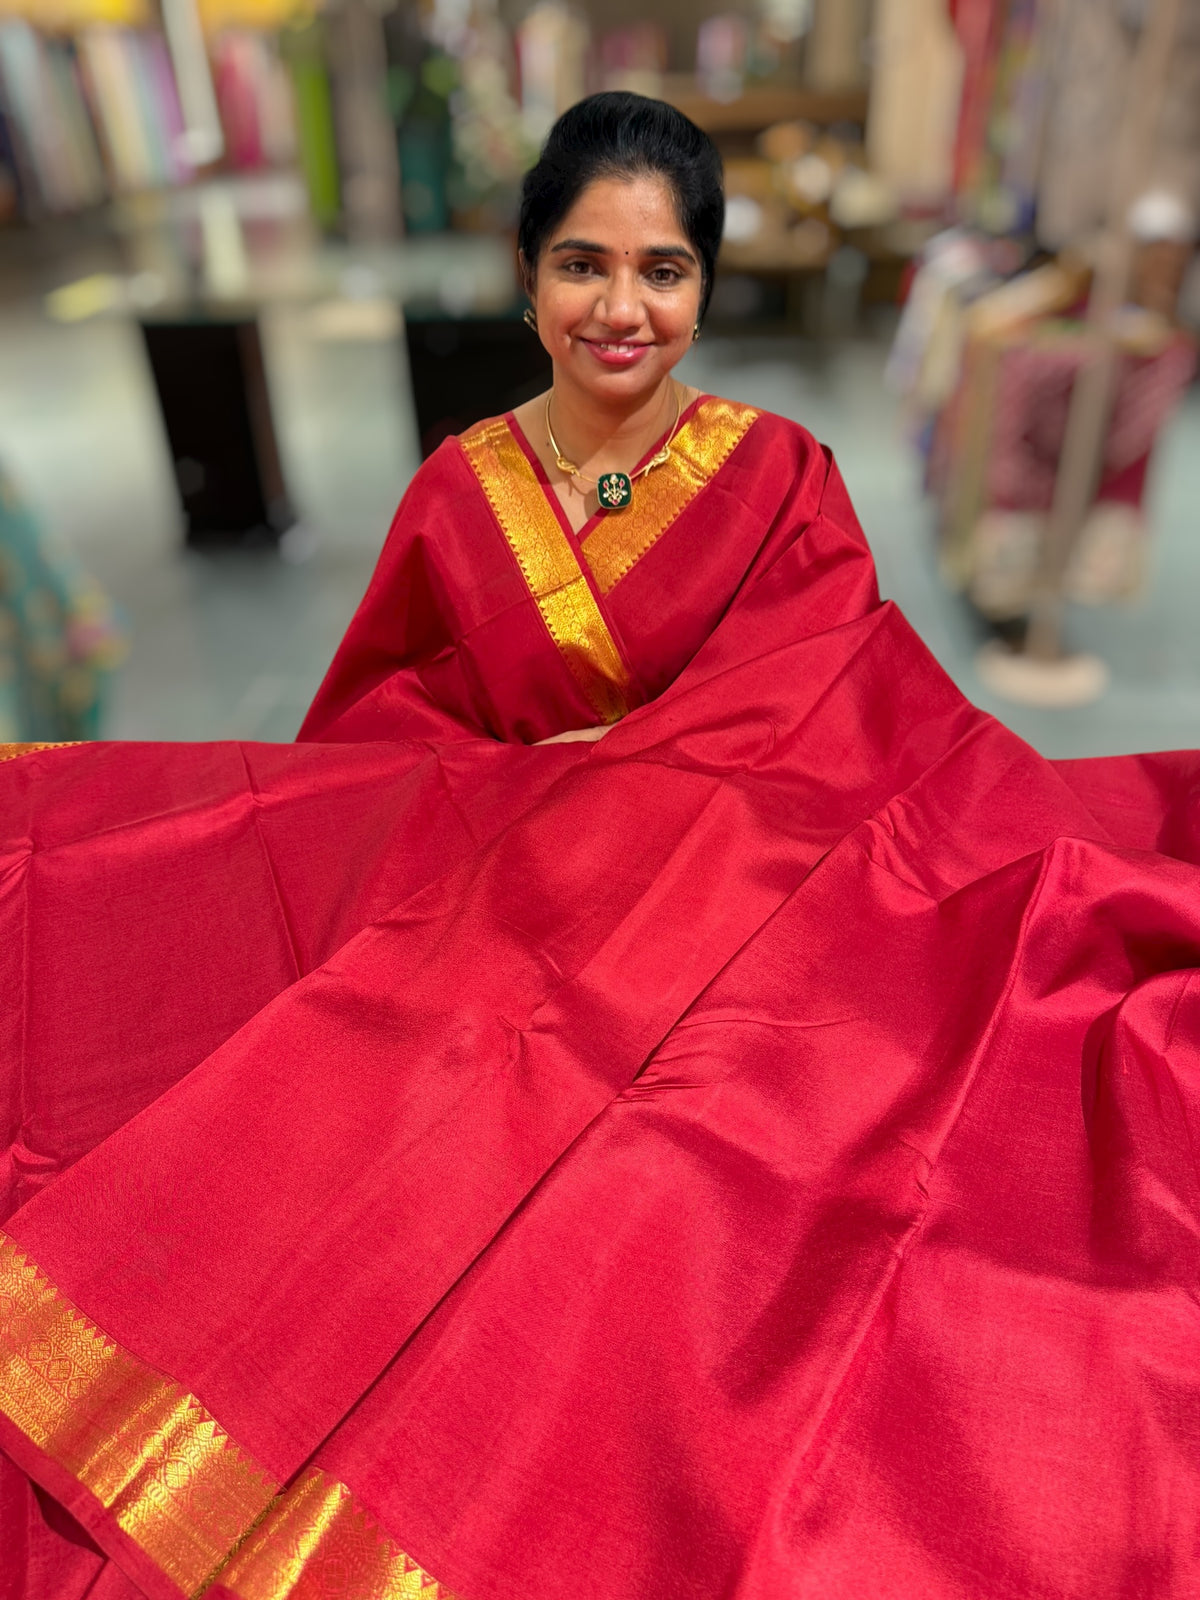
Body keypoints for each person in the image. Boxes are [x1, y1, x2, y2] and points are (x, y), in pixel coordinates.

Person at [0, 93, 1198, 1600]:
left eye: (663, 270)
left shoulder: (781, 477)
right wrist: (531, 804)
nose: (621, 309)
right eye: (584, 265)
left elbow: (833, 724)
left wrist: (634, 784)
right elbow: (377, 737)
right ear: (524, 273)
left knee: (731, 1229)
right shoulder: (458, 492)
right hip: (505, 925)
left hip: (752, 928)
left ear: (702, 284)